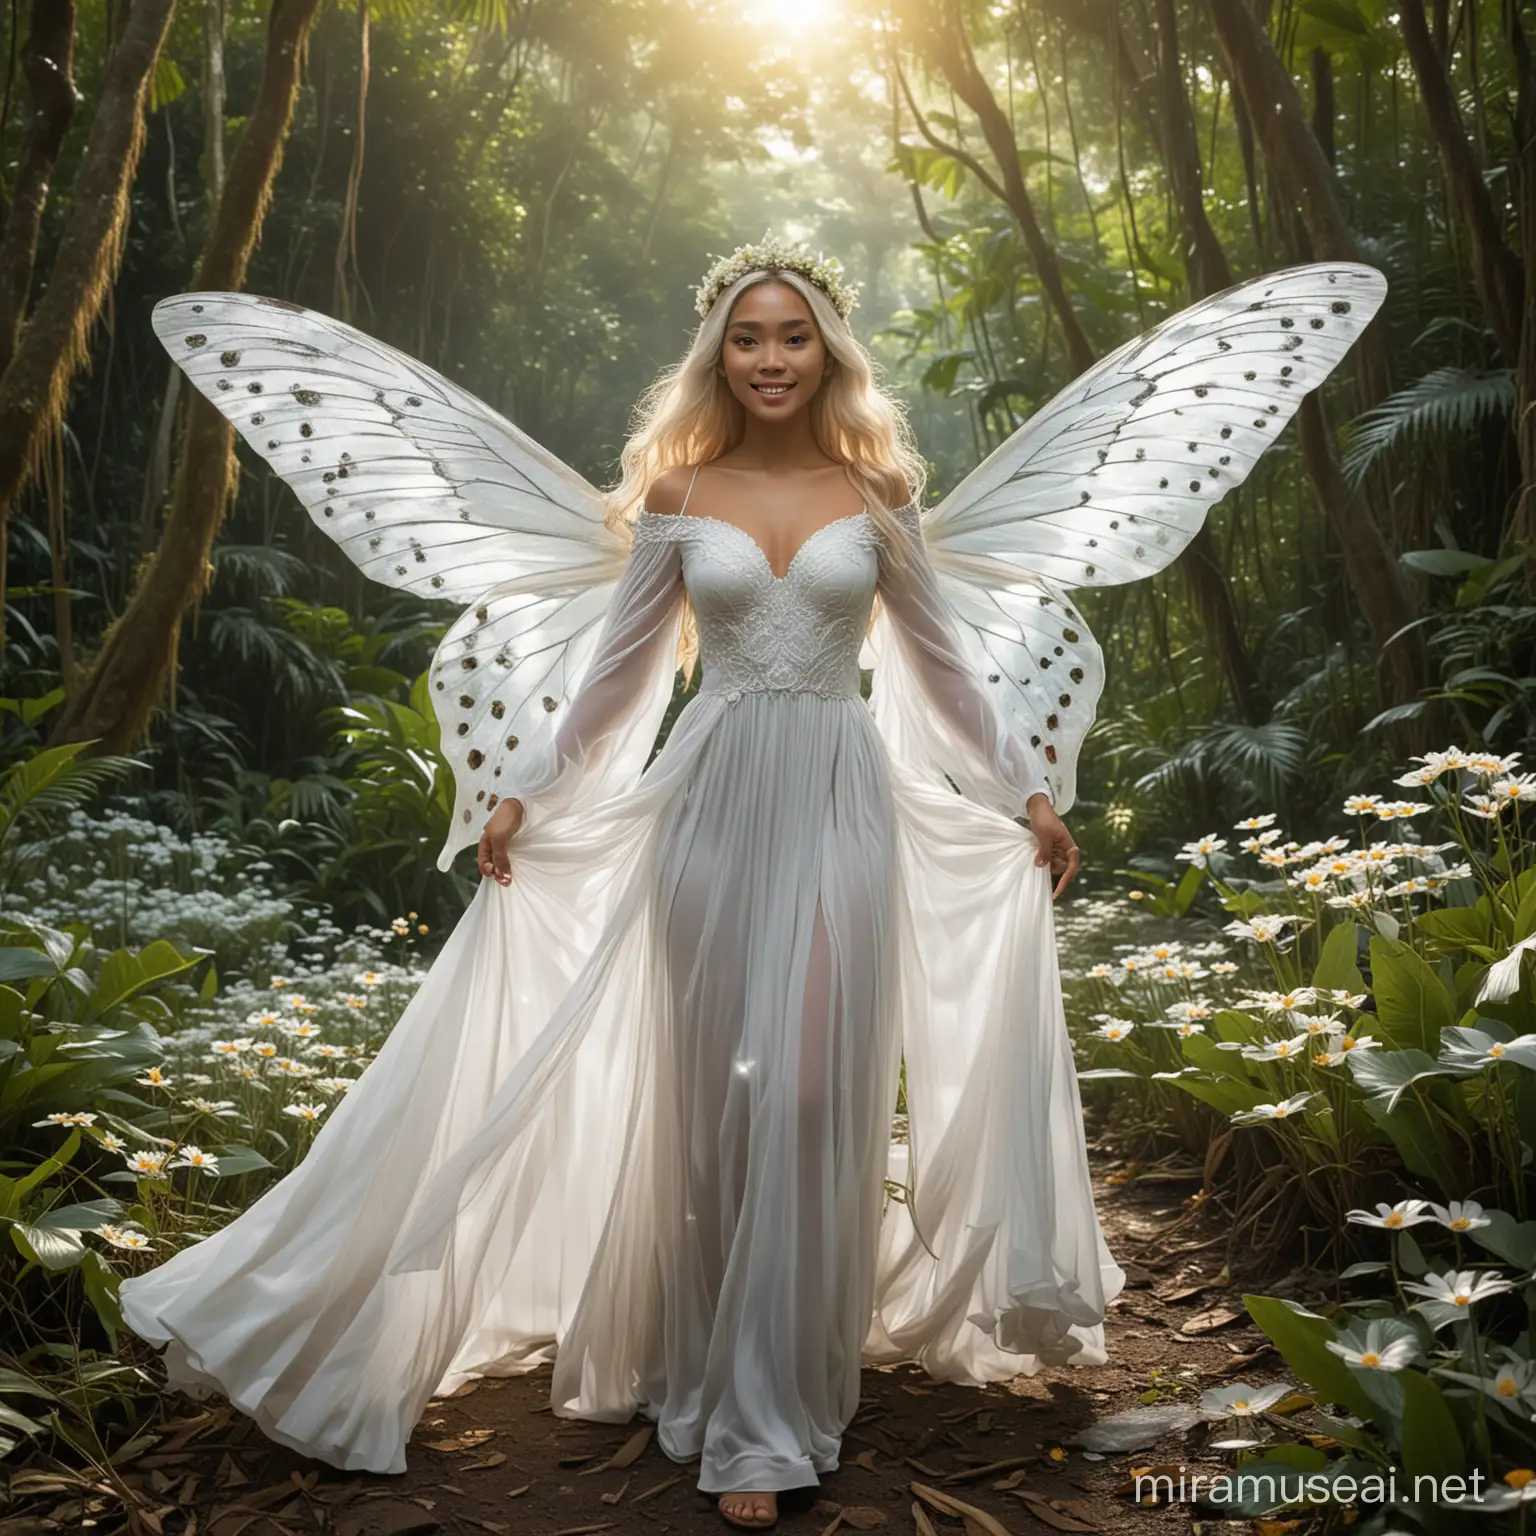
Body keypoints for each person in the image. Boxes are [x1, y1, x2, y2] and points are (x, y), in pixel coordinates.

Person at [120, 236, 1385, 1531]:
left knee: (813, 1092)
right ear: (718, 355)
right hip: (710, 812)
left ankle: (778, 1406)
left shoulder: (879, 493)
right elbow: (616, 680)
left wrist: (1030, 793)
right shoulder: (677, 497)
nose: (771, 357)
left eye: (792, 337)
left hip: (842, 804)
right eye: (748, 336)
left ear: (827, 353)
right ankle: (722, 1378)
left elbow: (945, 676)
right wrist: (523, 790)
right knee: (718, 1100)